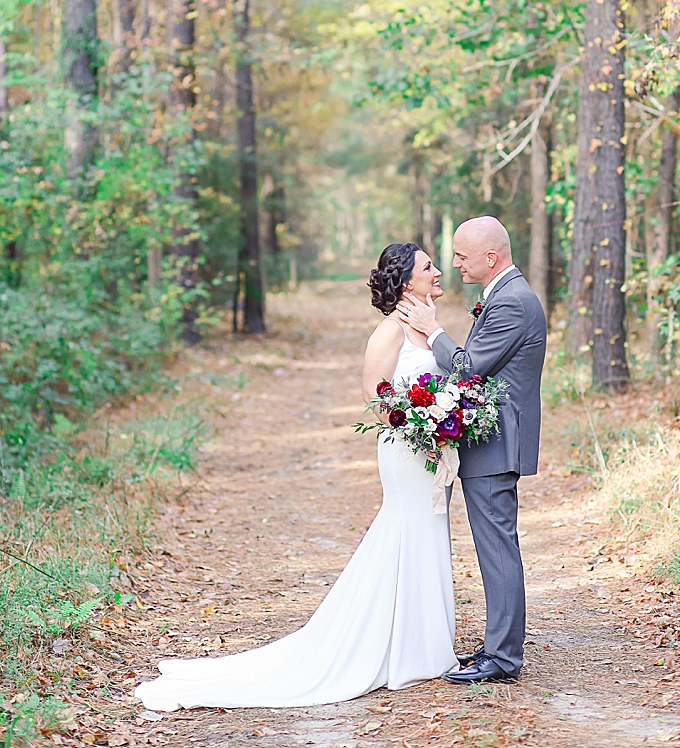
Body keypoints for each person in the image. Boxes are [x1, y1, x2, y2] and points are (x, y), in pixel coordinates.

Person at [133, 241, 458, 712]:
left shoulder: (429, 328)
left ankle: (421, 643)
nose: (438, 271)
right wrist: (417, 425)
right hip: (406, 448)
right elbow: (374, 393)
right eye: (429, 267)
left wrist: (444, 422)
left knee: (429, 531)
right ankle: (401, 647)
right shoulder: (389, 331)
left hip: (431, 449)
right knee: (407, 527)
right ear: (408, 281)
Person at [397, 215, 546, 684]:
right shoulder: (504, 295)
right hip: (490, 440)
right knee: (495, 547)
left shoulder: (514, 303)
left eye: (462, 256)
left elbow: (468, 370)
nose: (454, 263)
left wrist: (433, 329)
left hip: (497, 443)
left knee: (497, 549)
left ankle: (502, 659)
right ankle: (498, 646)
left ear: (491, 257)